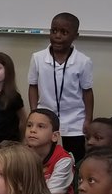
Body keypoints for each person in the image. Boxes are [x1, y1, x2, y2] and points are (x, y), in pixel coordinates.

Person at [28, 13, 94, 160]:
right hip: (45, 117)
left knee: (75, 159)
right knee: (43, 159)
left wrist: (88, 119)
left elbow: (87, 91)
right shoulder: (37, 58)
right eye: (54, 31)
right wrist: (34, 112)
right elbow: (33, 86)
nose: (57, 36)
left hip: (75, 119)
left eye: (64, 32)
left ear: (75, 36)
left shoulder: (83, 61)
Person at [23, 108, 74, 194]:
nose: (33, 130)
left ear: (54, 136)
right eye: (29, 125)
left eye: (40, 126)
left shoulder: (63, 159)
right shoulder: (20, 155)